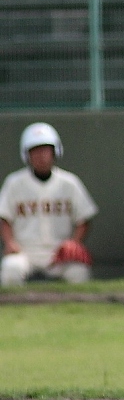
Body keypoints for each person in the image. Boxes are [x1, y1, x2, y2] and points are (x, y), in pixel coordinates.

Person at [0, 122, 98, 287]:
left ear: (55, 151)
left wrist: (74, 242)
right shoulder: (14, 182)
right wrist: (9, 242)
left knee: (79, 273)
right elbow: (4, 216)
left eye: (45, 150)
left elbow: (84, 218)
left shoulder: (69, 182)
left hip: (59, 252)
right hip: (25, 250)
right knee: (10, 270)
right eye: (35, 151)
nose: (41, 155)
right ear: (27, 155)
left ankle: (74, 312)